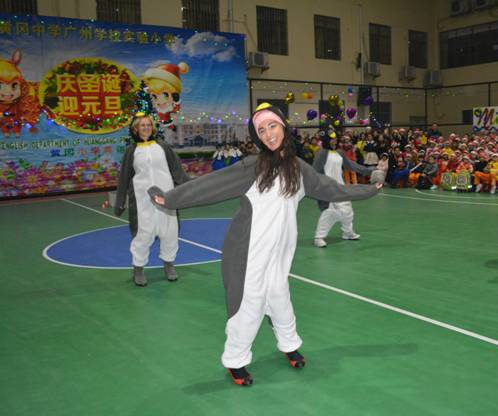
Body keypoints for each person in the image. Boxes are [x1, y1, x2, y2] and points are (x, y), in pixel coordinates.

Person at [149, 103, 381, 386]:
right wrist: (170, 199)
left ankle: (289, 344)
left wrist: (369, 189)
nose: (269, 134)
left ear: (283, 127)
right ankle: (235, 360)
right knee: (249, 306)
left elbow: (331, 188)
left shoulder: (299, 169)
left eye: (272, 126)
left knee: (281, 299)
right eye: (261, 130)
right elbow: (210, 186)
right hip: (249, 252)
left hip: (280, 254)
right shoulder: (253, 166)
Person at [114, 114, 191, 286]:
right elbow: (124, 177)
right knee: (143, 234)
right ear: (136, 129)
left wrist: (191, 188)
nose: (146, 128)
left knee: (170, 232)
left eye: (149, 125)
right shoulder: (132, 151)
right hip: (142, 201)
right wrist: (120, 202)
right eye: (142, 125)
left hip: (167, 198)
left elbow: (177, 170)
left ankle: (169, 264)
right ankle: (138, 269)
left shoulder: (163, 147)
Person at [312, 134, 375, 248]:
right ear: (327, 140)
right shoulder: (322, 153)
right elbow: (315, 172)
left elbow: (351, 165)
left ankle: (347, 233)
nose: (334, 140)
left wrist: (369, 171)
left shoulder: (340, 152)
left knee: (347, 210)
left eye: (335, 138)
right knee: (329, 211)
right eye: (332, 139)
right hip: (327, 187)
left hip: (340, 186)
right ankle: (319, 237)